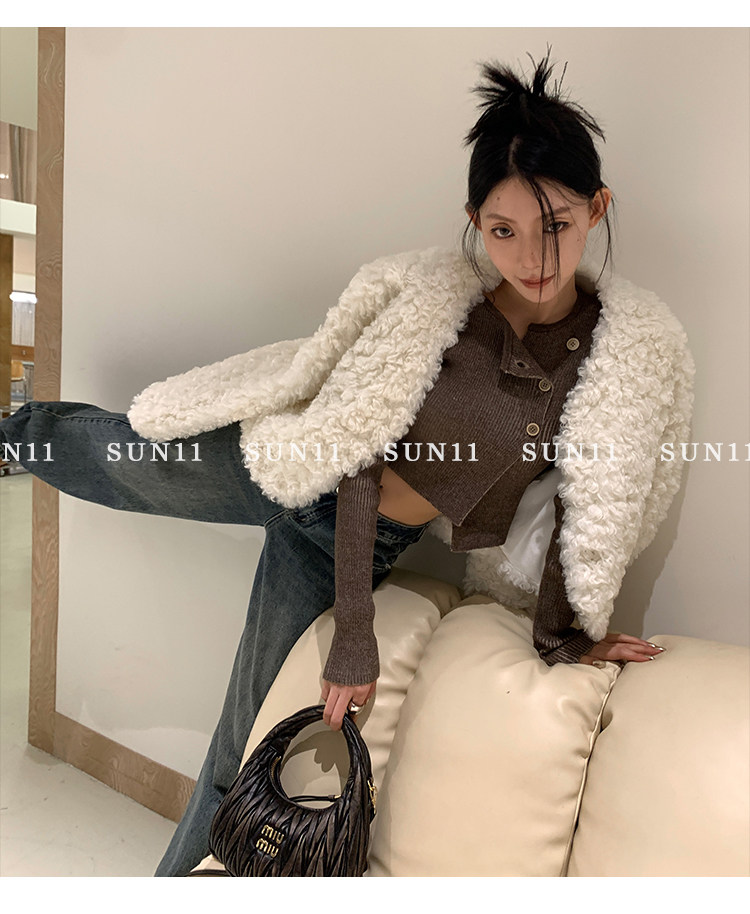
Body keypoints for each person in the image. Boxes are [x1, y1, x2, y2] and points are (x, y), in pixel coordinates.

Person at [0, 47, 694, 876]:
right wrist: (355, 634)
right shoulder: (448, 317)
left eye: (557, 225)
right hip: (289, 467)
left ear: (598, 208)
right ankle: (15, 430)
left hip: (339, 544)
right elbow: (360, 458)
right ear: (475, 223)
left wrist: (566, 635)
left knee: (242, 740)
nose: (533, 257)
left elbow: (578, 503)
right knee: (123, 460)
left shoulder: (611, 364)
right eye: (504, 231)